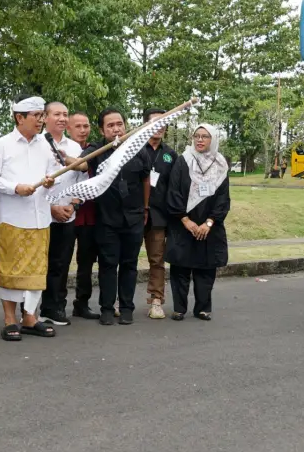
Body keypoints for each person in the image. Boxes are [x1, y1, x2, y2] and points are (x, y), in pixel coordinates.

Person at [0, 96, 59, 341]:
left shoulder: (45, 145)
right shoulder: (2, 145)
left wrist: (50, 180)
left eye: (41, 115)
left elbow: (51, 174)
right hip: (15, 219)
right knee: (11, 269)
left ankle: (30, 317)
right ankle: (9, 319)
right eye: (36, 116)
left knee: (37, 270)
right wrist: (16, 187)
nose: (41, 120)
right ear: (20, 117)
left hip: (41, 218)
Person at [86, 108, 150, 326]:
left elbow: (145, 180)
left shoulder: (137, 149)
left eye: (119, 124)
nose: (116, 129)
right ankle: (106, 308)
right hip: (107, 219)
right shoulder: (96, 150)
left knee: (130, 264)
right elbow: (80, 162)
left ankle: (126, 308)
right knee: (107, 264)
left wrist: (146, 208)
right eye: (110, 125)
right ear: (102, 129)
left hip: (134, 217)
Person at [165, 124, 230, 321]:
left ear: (213, 140)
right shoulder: (183, 161)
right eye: (197, 136)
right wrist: (186, 221)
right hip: (183, 224)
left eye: (205, 136)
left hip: (209, 227)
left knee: (206, 269)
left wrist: (209, 223)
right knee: (181, 268)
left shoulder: (220, 164)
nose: (200, 140)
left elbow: (223, 198)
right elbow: (173, 192)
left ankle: (202, 308)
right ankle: (179, 308)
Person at [39, 101, 83, 326]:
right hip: (41, 215)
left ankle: (54, 307)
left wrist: (72, 206)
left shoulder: (75, 148)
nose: (62, 118)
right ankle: (29, 310)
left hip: (68, 215)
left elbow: (83, 181)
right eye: (57, 114)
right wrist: (51, 208)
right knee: (38, 263)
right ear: (45, 117)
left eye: (65, 114)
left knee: (61, 264)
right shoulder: (36, 145)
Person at [141, 108, 176, 320]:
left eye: (164, 122)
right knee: (125, 259)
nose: (160, 126)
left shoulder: (170, 154)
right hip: (135, 215)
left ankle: (156, 300)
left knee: (157, 260)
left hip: (159, 217)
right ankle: (119, 299)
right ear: (146, 124)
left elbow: (175, 187)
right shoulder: (134, 150)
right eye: (156, 122)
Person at [68, 111, 99, 319]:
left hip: (91, 214)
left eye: (86, 126)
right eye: (77, 126)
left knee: (86, 262)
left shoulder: (96, 150)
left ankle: (82, 302)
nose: (82, 130)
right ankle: (54, 304)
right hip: (66, 214)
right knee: (60, 261)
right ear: (69, 128)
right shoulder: (59, 150)